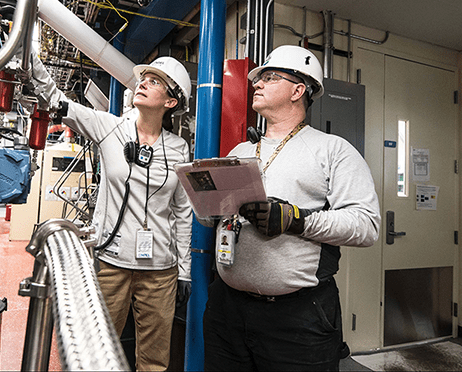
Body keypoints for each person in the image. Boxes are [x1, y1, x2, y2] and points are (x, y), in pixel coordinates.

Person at [203, 45, 381, 371]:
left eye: (269, 77)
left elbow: (366, 225)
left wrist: (294, 219)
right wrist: (209, 209)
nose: (256, 83)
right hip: (226, 310)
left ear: (298, 90)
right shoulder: (242, 149)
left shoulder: (333, 150)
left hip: (297, 319)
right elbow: (217, 215)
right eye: (258, 79)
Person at [30, 54, 193, 371]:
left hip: (161, 271)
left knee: (155, 361)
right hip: (111, 265)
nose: (142, 83)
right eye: (143, 78)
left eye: (154, 81)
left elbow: (182, 213)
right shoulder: (110, 127)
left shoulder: (178, 148)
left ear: (171, 102)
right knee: (95, 351)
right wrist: (31, 64)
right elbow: (58, 103)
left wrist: (184, 271)